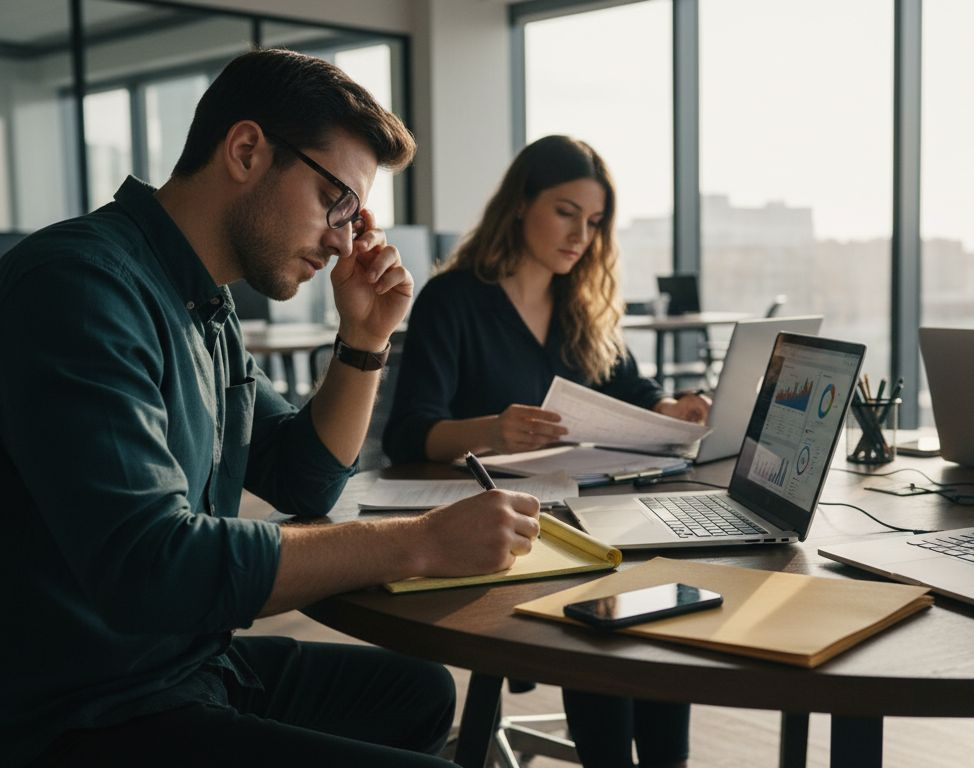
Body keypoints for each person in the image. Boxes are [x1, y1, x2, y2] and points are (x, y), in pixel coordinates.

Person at [0, 49, 543, 766]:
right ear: (248, 150)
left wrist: (364, 338)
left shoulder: (203, 305)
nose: (345, 239)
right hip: (82, 712)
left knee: (417, 693)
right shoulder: (81, 287)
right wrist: (422, 540)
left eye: (355, 215)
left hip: (178, 671)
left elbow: (305, 479)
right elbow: (151, 567)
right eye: (335, 202)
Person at [383, 135, 707, 768]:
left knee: (664, 589)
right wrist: (492, 430)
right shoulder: (454, 300)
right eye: (565, 212)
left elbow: (628, 386)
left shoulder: (580, 302)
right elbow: (408, 431)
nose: (580, 235)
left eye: (593, 222)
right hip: (490, 520)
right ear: (520, 203)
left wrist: (669, 408)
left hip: (579, 507)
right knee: (605, 605)